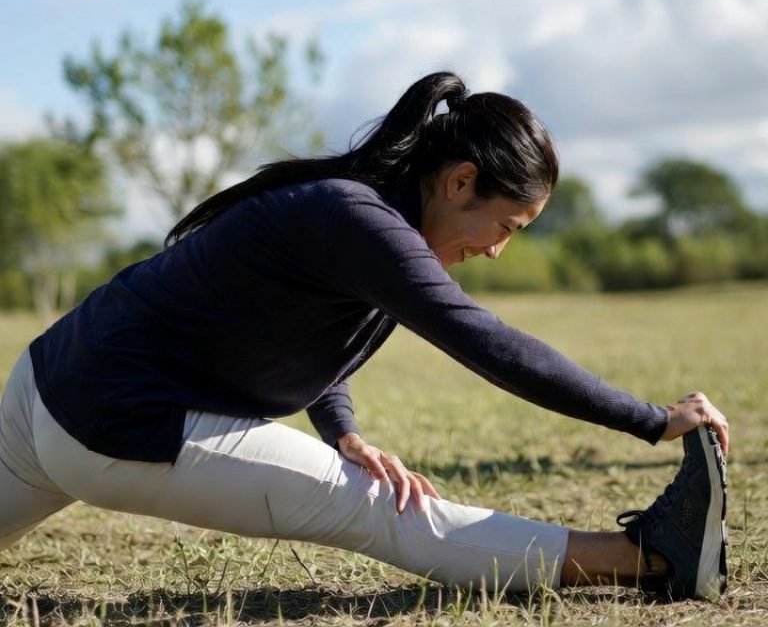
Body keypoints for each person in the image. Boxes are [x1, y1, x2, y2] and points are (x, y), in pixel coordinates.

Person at [0, 72, 728, 601]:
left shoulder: (363, 216)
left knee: (369, 485)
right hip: (114, 421)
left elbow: (315, 337)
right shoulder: (363, 222)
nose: (500, 250)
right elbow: (488, 343)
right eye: (506, 226)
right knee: (382, 507)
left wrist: (341, 431)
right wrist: (652, 419)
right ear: (460, 182)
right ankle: (650, 558)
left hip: (46, 384)